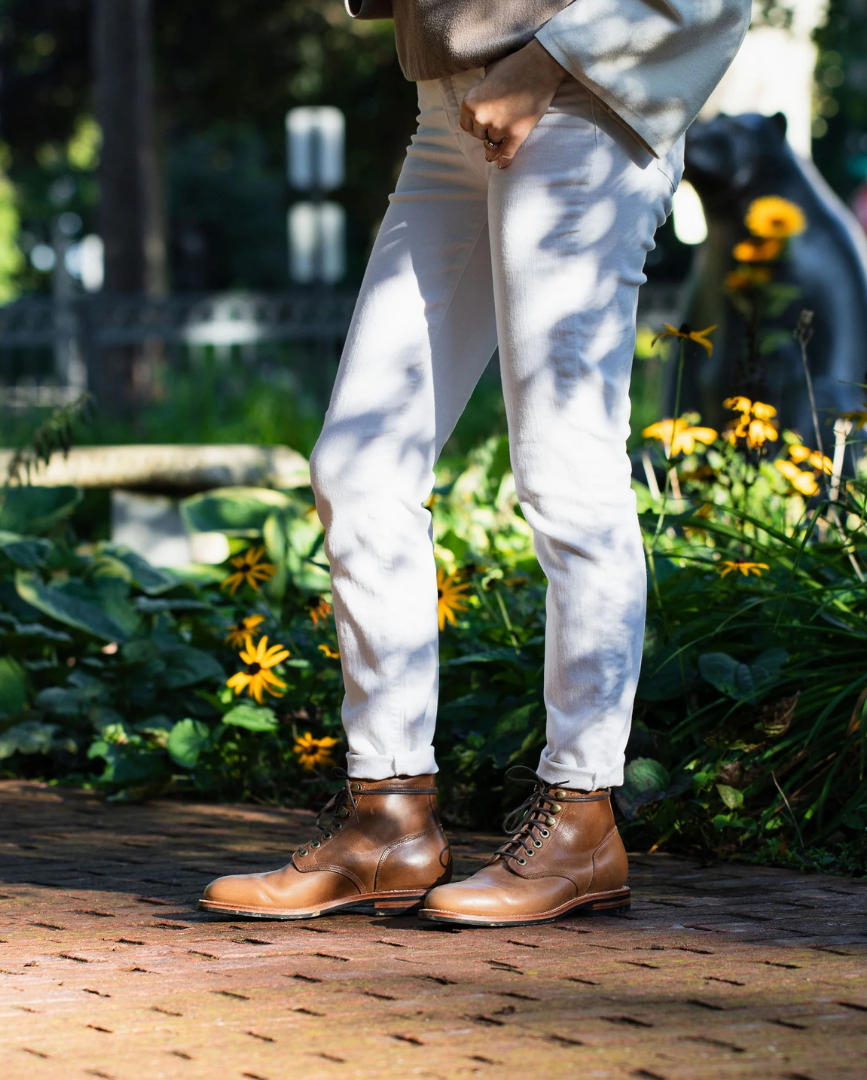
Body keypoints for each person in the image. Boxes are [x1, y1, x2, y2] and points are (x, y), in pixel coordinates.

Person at [201, 0, 751, 926]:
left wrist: (548, 61)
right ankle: (388, 819)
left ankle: (582, 821)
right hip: (446, 105)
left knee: (564, 472)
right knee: (358, 465)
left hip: (581, 97)